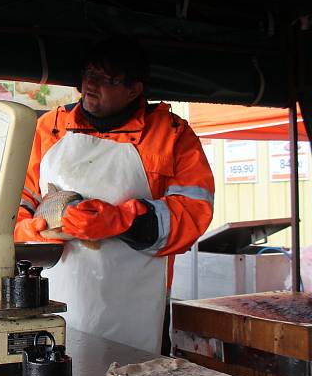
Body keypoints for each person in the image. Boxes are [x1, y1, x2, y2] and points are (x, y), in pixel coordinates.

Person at [14, 37, 214, 354]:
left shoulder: (173, 134)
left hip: (138, 306)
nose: (89, 86)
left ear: (135, 90)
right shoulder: (49, 127)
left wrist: (120, 221)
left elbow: (193, 214)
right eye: (88, 75)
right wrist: (31, 234)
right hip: (60, 297)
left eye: (106, 80)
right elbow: (18, 204)